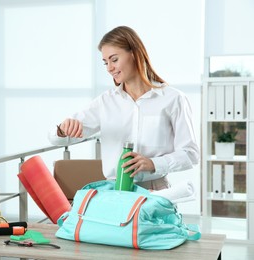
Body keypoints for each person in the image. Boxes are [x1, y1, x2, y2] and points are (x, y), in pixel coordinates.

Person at [48, 26, 199, 191]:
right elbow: (58, 139)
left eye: (114, 59)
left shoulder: (173, 99)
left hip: (155, 190)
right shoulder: (105, 102)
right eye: (106, 62)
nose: (109, 68)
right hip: (115, 191)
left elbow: (190, 154)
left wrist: (153, 163)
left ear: (134, 54)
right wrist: (63, 130)